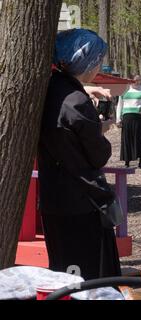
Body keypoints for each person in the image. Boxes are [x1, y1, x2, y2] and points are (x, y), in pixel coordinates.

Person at [38, 28, 121, 280]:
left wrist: (84, 89)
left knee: (62, 274)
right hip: (82, 204)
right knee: (86, 280)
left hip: (53, 200)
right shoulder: (76, 104)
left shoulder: (48, 88)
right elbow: (98, 155)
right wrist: (101, 128)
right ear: (88, 62)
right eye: (98, 61)